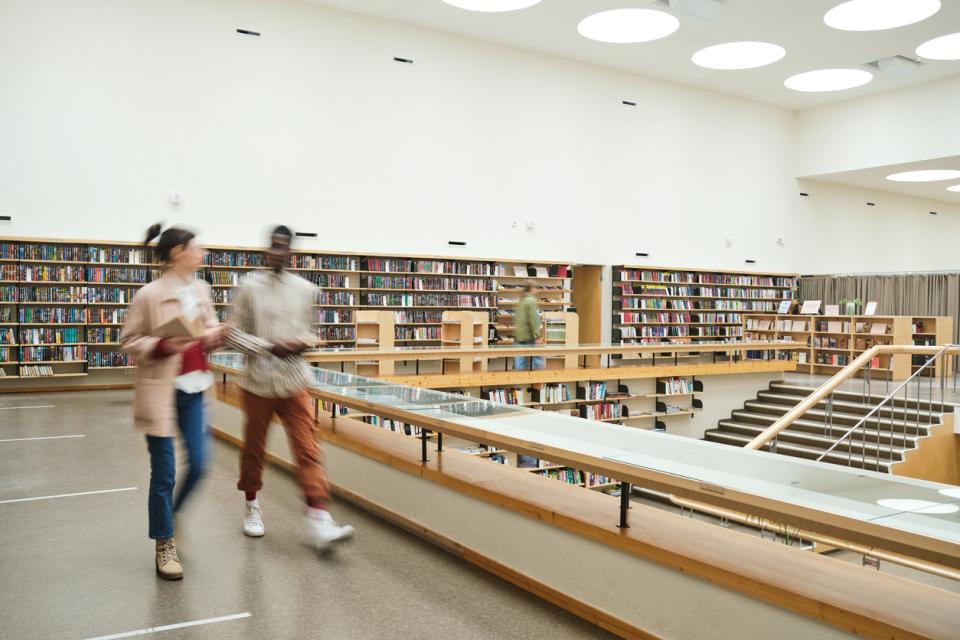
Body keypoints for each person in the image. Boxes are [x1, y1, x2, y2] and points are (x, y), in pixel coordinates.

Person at [226, 226, 354, 549]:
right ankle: (251, 505)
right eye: (273, 246)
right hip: (258, 383)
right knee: (254, 448)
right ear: (266, 250)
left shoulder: (306, 289)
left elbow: (314, 332)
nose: (277, 252)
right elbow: (232, 334)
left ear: (291, 252)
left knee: (307, 448)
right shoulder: (249, 288)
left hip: (295, 381)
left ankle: (319, 517)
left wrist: (301, 343)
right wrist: (268, 346)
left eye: (283, 247)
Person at [121, 224, 224, 580]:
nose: (203, 254)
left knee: (199, 464)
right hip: (161, 393)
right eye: (198, 248)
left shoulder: (202, 289)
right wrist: (163, 345)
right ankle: (164, 542)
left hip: (195, 389)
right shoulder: (148, 295)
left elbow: (207, 331)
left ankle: (173, 516)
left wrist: (216, 336)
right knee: (164, 474)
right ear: (179, 251)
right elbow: (129, 340)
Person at [513, 280, 544, 370]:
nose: (538, 290)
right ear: (531, 288)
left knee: (520, 361)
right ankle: (537, 380)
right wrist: (537, 336)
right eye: (536, 288)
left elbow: (516, 318)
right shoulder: (531, 301)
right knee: (537, 359)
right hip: (528, 336)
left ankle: (520, 381)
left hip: (519, 336)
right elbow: (534, 319)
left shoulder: (521, 301)